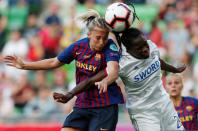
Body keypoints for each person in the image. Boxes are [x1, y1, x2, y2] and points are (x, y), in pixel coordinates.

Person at [3, 9, 124, 131]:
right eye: (98, 38)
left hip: (104, 106)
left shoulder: (110, 46)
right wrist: (24, 65)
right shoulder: (78, 47)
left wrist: (106, 81)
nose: (102, 42)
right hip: (83, 104)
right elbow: (54, 62)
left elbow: (113, 70)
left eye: (105, 37)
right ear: (88, 34)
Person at [53, 27, 186, 131]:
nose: (145, 49)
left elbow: (159, 61)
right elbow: (90, 81)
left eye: (145, 45)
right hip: (143, 112)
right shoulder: (121, 64)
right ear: (129, 50)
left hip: (164, 103)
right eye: (140, 48)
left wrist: (174, 69)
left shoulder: (152, 47)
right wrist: (70, 94)